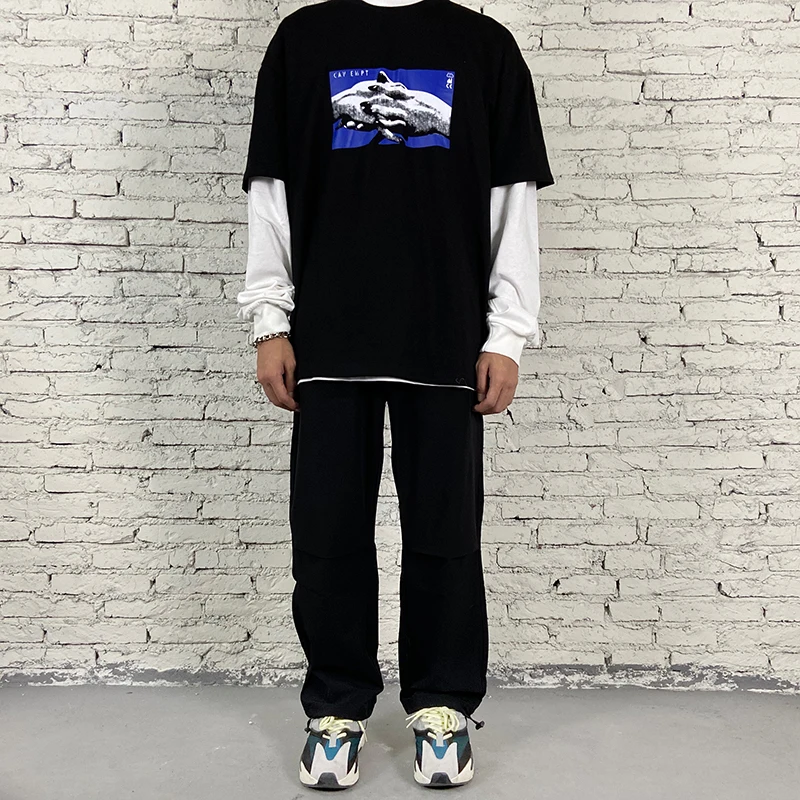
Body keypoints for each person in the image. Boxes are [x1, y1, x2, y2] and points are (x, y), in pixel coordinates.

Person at [237, 0, 554, 788]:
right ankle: (336, 707)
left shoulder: (484, 46)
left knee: (446, 532)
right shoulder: (304, 39)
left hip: (447, 334)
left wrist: (507, 334)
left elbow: (512, 195)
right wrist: (270, 320)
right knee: (327, 529)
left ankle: (441, 706)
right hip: (328, 333)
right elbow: (271, 188)